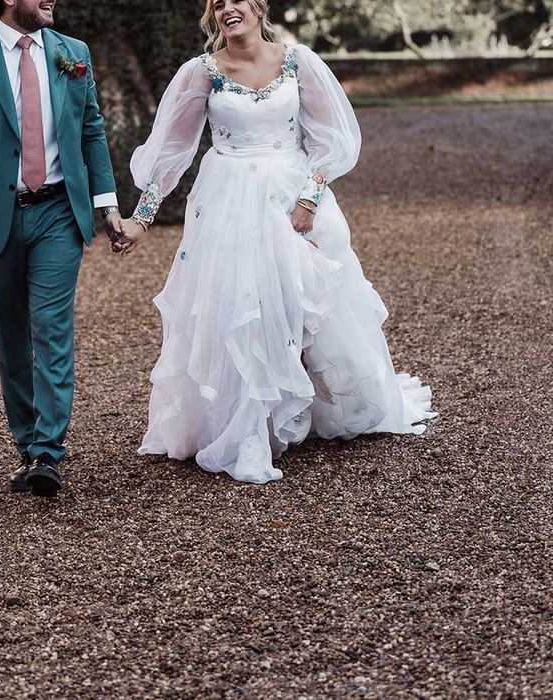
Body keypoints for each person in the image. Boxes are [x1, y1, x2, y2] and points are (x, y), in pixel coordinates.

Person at [114, 0, 436, 484]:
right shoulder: (201, 72)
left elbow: (330, 139)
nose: (227, 8)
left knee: (304, 303)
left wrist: (309, 199)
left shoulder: (298, 61)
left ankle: (321, 404)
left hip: (292, 195)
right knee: (241, 306)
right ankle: (248, 429)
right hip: (227, 199)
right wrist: (141, 218)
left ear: (259, 7)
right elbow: (171, 151)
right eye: (218, 3)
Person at [0, 0, 122, 497]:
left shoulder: (73, 52)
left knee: (51, 328)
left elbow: (91, 130)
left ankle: (47, 452)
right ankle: (27, 444)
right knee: (11, 339)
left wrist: (107, 206)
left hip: (59, 211)